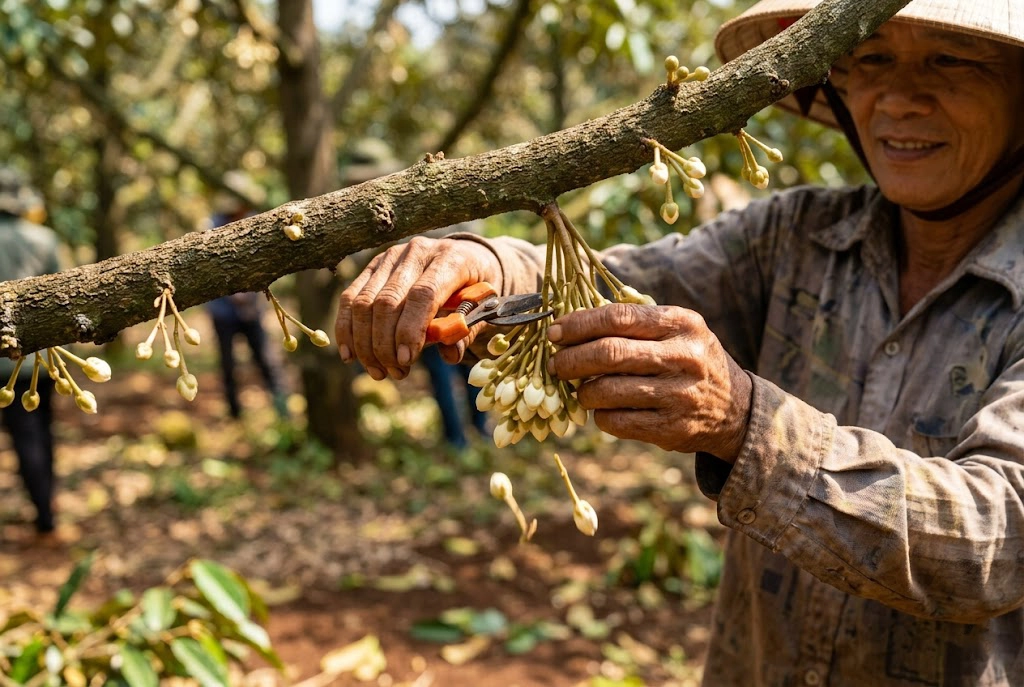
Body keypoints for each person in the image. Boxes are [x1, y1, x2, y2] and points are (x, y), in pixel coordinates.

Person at [334, 0, 1024, 684]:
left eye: (950, 60)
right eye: (871, 58)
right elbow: (619, 285)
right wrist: (486, 267)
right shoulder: (794, 237)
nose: (899, 98)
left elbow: (997, 539)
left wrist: (747, 423)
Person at [0, 167, 61, 539]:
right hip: (43, 358)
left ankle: (42, 509)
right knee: (43, 430)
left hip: (3, 366)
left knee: (23, 436)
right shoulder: (44, 239)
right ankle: (48, 507)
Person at [206, 174, 288, 419]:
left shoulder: (255, 221)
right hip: (223, 312)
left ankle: (283, 411)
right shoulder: (213, 226)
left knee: (266, 360)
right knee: (228, 364)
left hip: (251, 311)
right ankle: (235, 414)